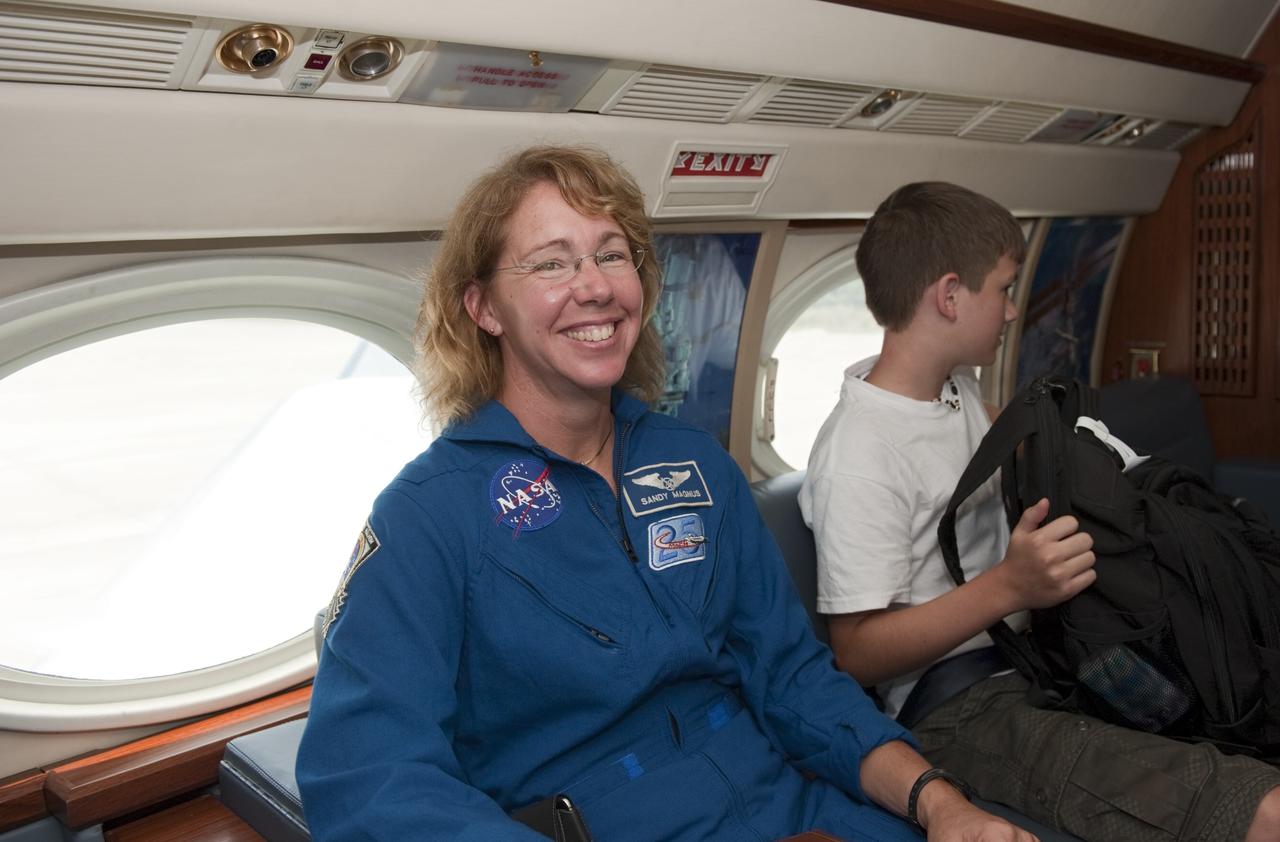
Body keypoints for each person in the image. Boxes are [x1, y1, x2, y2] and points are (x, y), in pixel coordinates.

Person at [295, 147, 1035, 841]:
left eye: (612, 254)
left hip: (785, 802)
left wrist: (939, 802)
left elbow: (793, 678)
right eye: (551, 263)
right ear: (484, 308)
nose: (594, 285)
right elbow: (371, 779)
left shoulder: (694, 463)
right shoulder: (430, 513)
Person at [799, 181, 1280, 842]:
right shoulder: (860, 451)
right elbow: (856, 653)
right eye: (1003, 288)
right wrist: (1010, 586)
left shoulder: (955, 391)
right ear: (948, 295)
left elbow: (1032, 450)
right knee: (1256, 808)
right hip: (961, 708)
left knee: (1240, 710)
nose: (1010, 309)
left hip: (1045, 655)